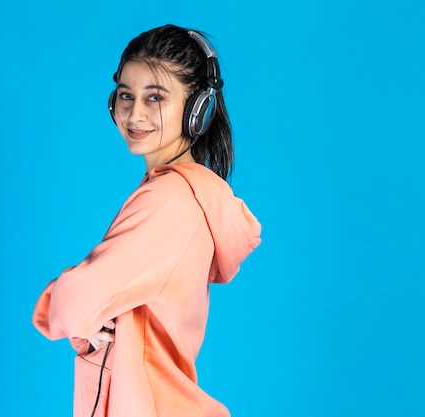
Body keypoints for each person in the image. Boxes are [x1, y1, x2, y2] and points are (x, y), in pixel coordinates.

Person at [33, 24, 262, 417]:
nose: (134, 114)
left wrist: (61, 304)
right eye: (126, 95)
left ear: (197, 109)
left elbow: (71, 304)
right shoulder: (184, 196)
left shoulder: (169, 202)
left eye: (155, 97)